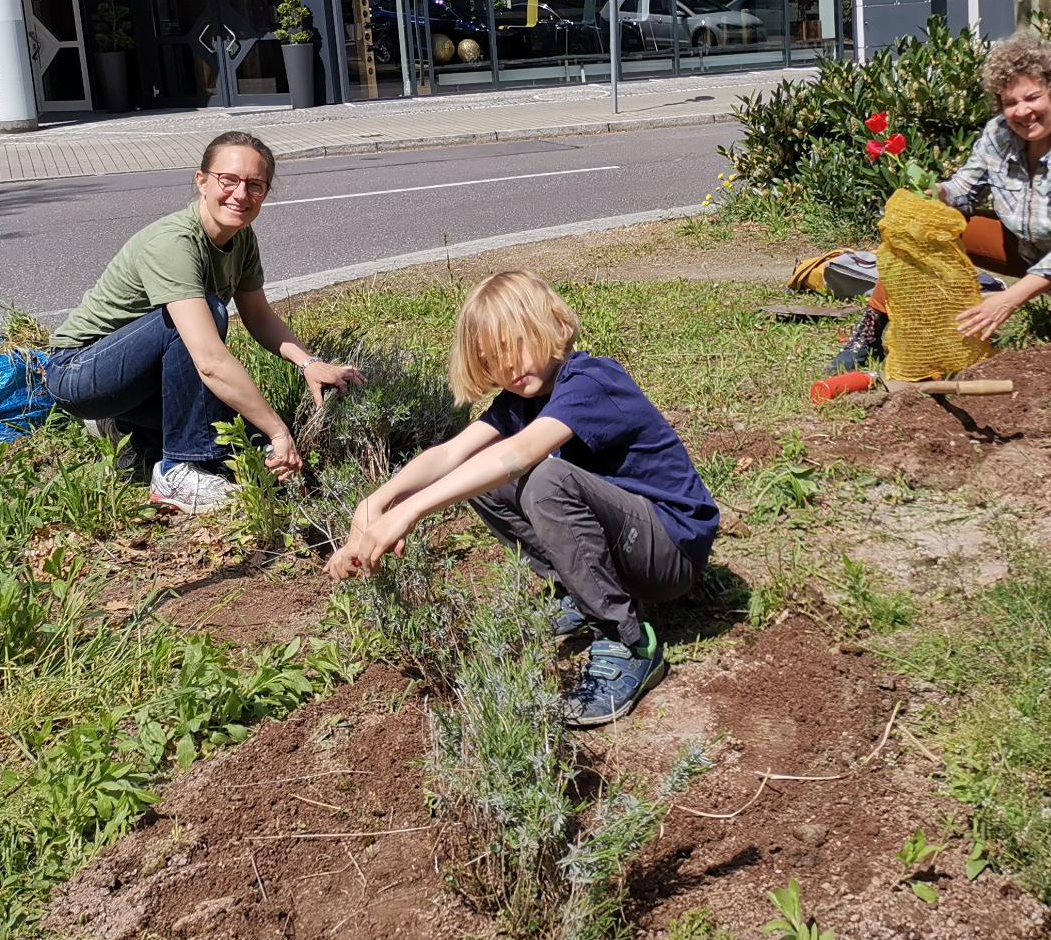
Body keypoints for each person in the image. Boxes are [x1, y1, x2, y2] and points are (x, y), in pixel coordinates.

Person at [325, 270, 718, 728]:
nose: (509, 368)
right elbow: (450, 455)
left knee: (546, 479)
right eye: (493, 361)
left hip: (671, 550)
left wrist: (410, 512)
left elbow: (520, 453)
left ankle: (626, 642)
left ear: (552, 323)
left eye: (515, 346)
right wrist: (378, 502)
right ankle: (583, 591)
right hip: (632, 547)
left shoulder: (592, 380)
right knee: (483, 477)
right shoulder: (519, 401)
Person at [44, 131, 362, 513]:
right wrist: (279, 431)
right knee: (207, 315)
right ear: (201, 181)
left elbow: (258, 316)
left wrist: (309, 363)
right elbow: (209, 360)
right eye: (228, 180)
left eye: (255, 185)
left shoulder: (241, 240)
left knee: (250, 450)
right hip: (78, 372)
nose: (240, 195)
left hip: (134, 381)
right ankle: (176, 471)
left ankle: (128, 427)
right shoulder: (174, 242)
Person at [828, 33, 1051, 373]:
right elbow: (963, 190)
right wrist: (932, 195)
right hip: (1028, 243)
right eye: (1010, 102)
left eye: (1032, 97)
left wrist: (1007, 301)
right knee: (922, 229)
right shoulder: (999, 133)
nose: (1022, 111)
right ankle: (870, 331)